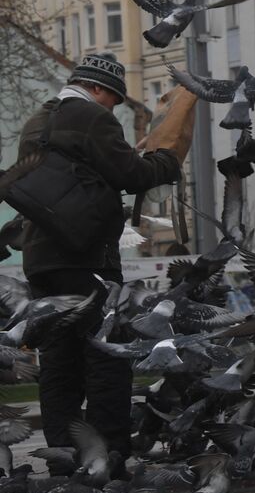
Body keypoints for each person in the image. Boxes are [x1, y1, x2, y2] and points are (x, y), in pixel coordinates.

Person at [18, 51, 182, 457]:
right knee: (107, 357)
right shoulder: (91, 117)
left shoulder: (36, 123)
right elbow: (132, 174)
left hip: (42, 259)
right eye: (114, 98)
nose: (115, 107)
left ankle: (64, 460)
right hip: (86, 259)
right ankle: (109, 460)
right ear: (97, 88)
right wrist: (166, 162)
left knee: (59, 365)